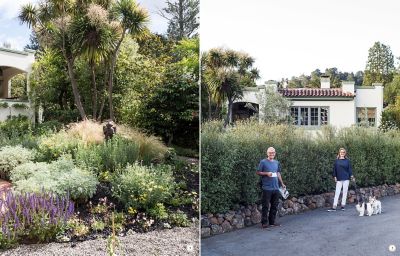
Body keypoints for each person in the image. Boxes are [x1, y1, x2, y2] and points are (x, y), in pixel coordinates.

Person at [256, 147, 286, 228]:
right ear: (267, 153)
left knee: (274, 206)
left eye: (273, 152)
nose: (271, 154)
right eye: (270, 152)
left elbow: (278, 173)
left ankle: (272, 222)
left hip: (276, 188)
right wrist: (266, 173)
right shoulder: (263, 162)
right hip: (267, 188)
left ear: (275, 153)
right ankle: (264, 223)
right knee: (265, 206)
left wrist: (282, 183)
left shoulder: (276, 162)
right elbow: (258, 172)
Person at [328, 147, 355, 212]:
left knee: (345, 192)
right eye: (341, 152)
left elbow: (349, 169)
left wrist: (352, 176)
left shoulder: (347, 161)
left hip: (346, 178)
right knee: (337, 192)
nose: (342, 153)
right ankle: (334, 207)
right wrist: (335, 177)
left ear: (345, 153)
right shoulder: (336, 161)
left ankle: (343, 205)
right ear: (339, 153)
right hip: (339, 178)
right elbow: (334, 170)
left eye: (343, 152)